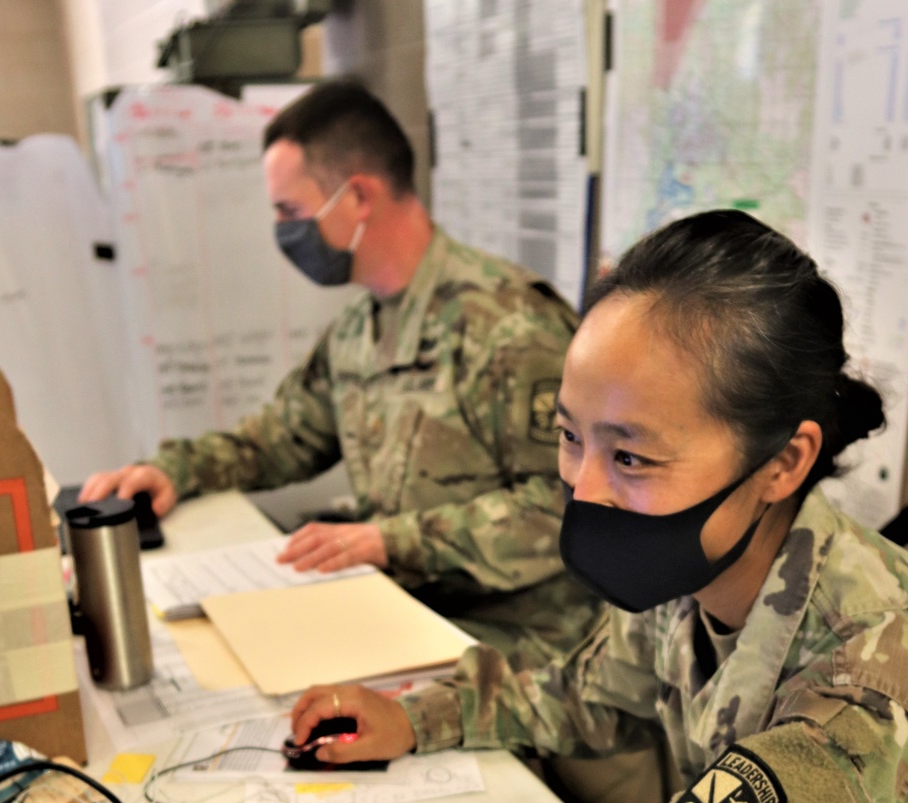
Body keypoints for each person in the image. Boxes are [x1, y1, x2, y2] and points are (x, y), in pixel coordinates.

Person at [166, 209, 908, 803]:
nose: (584, 487)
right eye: (570, 438)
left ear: (782, 461)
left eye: (630, 454)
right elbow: (579, 691)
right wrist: (420, 719)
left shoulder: (860, 688)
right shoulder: (708, 560)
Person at [79, 80, 601, 674]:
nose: (282, 232)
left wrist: (392, 541)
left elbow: (570, 507)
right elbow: (282, 438)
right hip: (415, 620)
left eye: (290, 212)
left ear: (357, 196)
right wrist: (174, 470)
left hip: (527, 655)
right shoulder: (360, 326)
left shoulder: (509, 327)